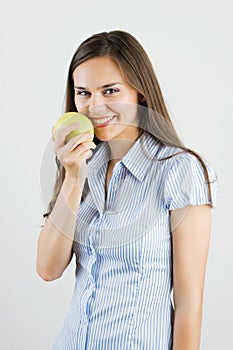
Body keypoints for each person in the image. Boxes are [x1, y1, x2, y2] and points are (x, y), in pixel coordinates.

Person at [36, 30, 218, 349]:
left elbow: (189, 305)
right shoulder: (81, 164)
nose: (95, 106)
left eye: (110, 90)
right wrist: (73, 177)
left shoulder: (180, 170)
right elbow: (48, 269)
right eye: (84, 93)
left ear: (140, 92)